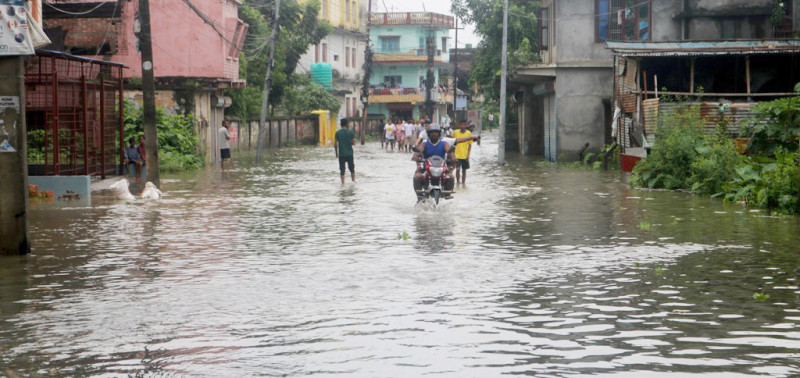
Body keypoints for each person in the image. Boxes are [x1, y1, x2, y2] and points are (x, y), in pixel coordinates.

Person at [334, 118, 356, 185]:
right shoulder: (351, 132)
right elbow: (354, 143)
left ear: (340, 124)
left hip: (341, 154)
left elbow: (335, 144)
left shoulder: (337, 133)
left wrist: (336, 154)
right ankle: (353, 182)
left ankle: (343, 184)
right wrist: (349, 142)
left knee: (342, 170)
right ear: (347, 124)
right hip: (350, 154)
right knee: (352, 169)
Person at [453, 120, 474, 184]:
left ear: (466, 125)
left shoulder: (469, 133)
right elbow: (452, 143)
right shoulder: (455, 132)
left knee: (464, 171)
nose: (463, 126)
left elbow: (470, 145)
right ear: (459, 125)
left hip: (465, 156)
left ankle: (463, 183)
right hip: (457, 155)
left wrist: (468, 155)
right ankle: (458, 182)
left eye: (464, 124)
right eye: (461, 124)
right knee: (457, 169)